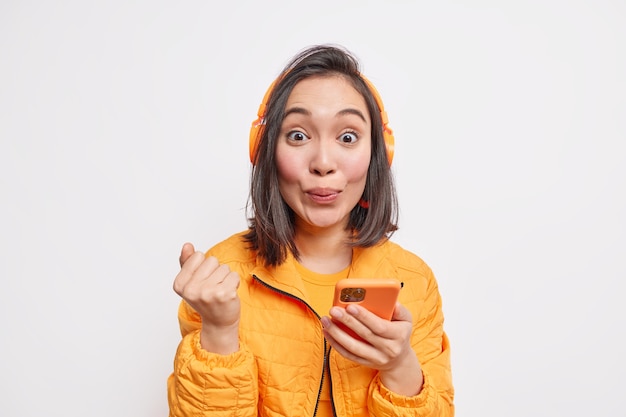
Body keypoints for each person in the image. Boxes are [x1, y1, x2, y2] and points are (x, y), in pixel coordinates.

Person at [167, 44, 454, 417]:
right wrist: (220, 330)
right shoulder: (221, 276)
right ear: (266, 150)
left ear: (378, 153)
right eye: (298, 136)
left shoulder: (415, 281)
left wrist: (399, 366)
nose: (322, 163)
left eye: (347, 137)